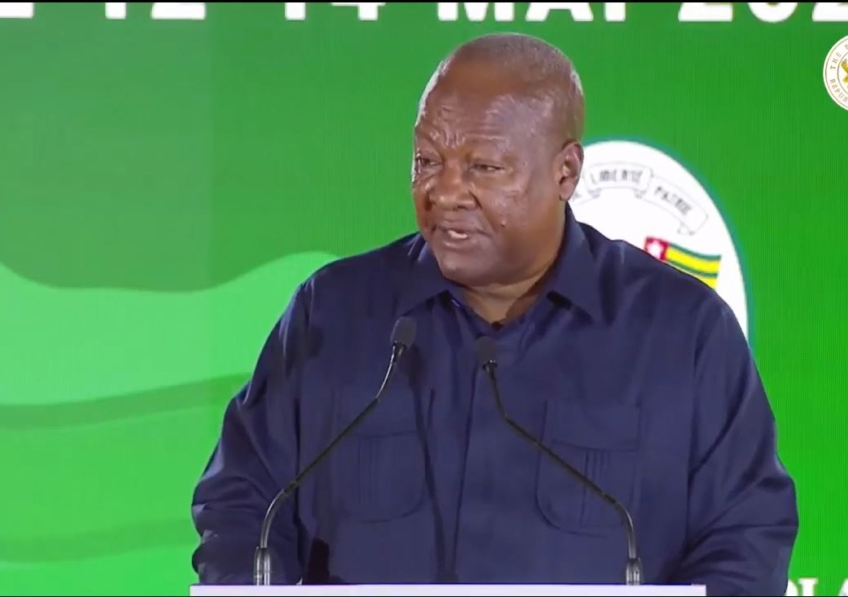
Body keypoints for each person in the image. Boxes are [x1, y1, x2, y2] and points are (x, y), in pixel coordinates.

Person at [190, 32, 798, 595]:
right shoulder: (333, 314)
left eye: (483, 167)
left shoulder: (681, 332)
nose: (444, 192)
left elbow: (746, 535)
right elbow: (242, 503)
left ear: (565, 172)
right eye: (427, 161)